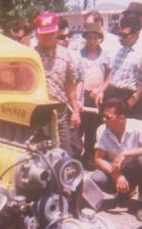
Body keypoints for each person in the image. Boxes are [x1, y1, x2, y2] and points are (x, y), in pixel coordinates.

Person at [91, 97, 142, 221]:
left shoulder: (138, 125)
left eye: (108, 117)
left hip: (138, 169)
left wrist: (125, 153)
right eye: (104, 116)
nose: (103, 119)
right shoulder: (102, 129)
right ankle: (124, 193)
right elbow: (98, 159)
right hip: (119, 170)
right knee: (96, 177)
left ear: (121, 118)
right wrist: (116, 175)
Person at [34, 12, 81, 156]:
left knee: (65, 155)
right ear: (37, 34)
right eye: (44, 34)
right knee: (37, 157)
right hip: (36, 113)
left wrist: (75, 111)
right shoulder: (30, 55)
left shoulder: (66, 55)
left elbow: (69, 84)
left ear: (56, 32)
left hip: (59, 112)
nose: (47, 37)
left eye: (50, 33)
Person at [99, 15, 142, 121]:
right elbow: (113, 72)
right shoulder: (119, 48)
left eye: (124, 35)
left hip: (129, 99)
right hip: (113, 96)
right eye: (119, 34)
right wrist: (102, 90)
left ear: (136, 34)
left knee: (129, 133)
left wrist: (136, 96)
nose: (120, 38)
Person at [79, 22, 111, 169]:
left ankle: (91, 156)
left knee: (95, 126)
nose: (92, 41)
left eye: (95, 38)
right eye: (89, 38)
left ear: (99, 39)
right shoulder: (80, 53)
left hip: (98, 95)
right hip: (83, 94)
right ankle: (79, 154)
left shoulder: (105, 55)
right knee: (82, 125)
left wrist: (101, 89)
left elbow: (110, 74)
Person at [56, 18, 85, 159]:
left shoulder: (75, 56)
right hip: (53, 110)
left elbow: (79, 79)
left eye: (69, 35)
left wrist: (77, 102)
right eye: (62, 37)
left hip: (71, 108)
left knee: (73, 147)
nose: (66, 39)